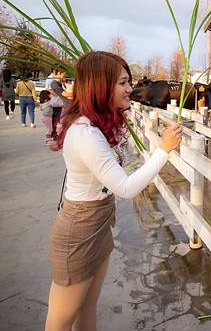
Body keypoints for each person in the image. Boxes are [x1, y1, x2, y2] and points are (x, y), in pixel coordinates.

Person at [45, 51, 182, 331]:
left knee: (87, 305)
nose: (130, 89)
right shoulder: (85, 133)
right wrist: (163, 150)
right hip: (79, 231)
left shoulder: (97, 125)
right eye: (123, 83)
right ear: (101, 85)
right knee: (59, 323)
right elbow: (125, 187)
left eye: (129, 82)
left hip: (100, 222)